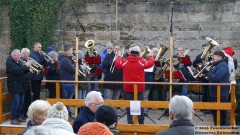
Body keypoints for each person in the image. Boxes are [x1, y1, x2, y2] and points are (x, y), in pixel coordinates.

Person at [115, 44, 154, 124]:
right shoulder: (141, 61)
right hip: (139, 87)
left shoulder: (125, 61)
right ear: (138, 52)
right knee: (140, 104)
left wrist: (119, 56)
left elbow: (117, 64)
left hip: (128, 87)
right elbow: (150, 64)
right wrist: (150, 56)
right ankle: (141, 120)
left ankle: (130, 121)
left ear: (130, 52)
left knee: (129, 104)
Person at [6, 49, 31, 125]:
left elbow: (23, 72)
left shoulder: (19, 61)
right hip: (14, 85)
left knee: (21, 102)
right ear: (13, 55)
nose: (20, 56)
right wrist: (25, 66)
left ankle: (18, 116)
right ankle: (13, 118)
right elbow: (17, 71)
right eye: (18, 55)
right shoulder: (9, 62)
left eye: (20, 55)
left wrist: (28, 67)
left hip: (21, 85)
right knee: (16, 102)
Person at [206, 50, 230, 125]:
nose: (213, 58)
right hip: (215, 93)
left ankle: (222, 130)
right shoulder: (217, 65)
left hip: (220, 93)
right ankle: (217, 128)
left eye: (214, 56)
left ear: (219, 57)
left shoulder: (223, 65)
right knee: (215, 113)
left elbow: (217, 77)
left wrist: (208, 72)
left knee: (222, 114)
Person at [58, 45, 75, 118]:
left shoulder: (65, 59)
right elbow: (72, 70)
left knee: (68, 98)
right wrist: (75, 64)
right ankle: (67, 113)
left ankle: (68, 113)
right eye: (71, 50)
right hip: (68, 82)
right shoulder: (65, 60)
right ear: (67, 51)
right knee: (68, 99)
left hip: (67, 81)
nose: (72, 52)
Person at [20, 48, 33, 120]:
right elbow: (23, 71)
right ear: (23, 53)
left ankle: (26, 113)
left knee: (28, 98)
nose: (28, 55)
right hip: (23, 82)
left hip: (28, 81)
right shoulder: (21, 61)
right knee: (23, 99)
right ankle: (22, 114)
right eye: (27, 53)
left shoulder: (27, 60)